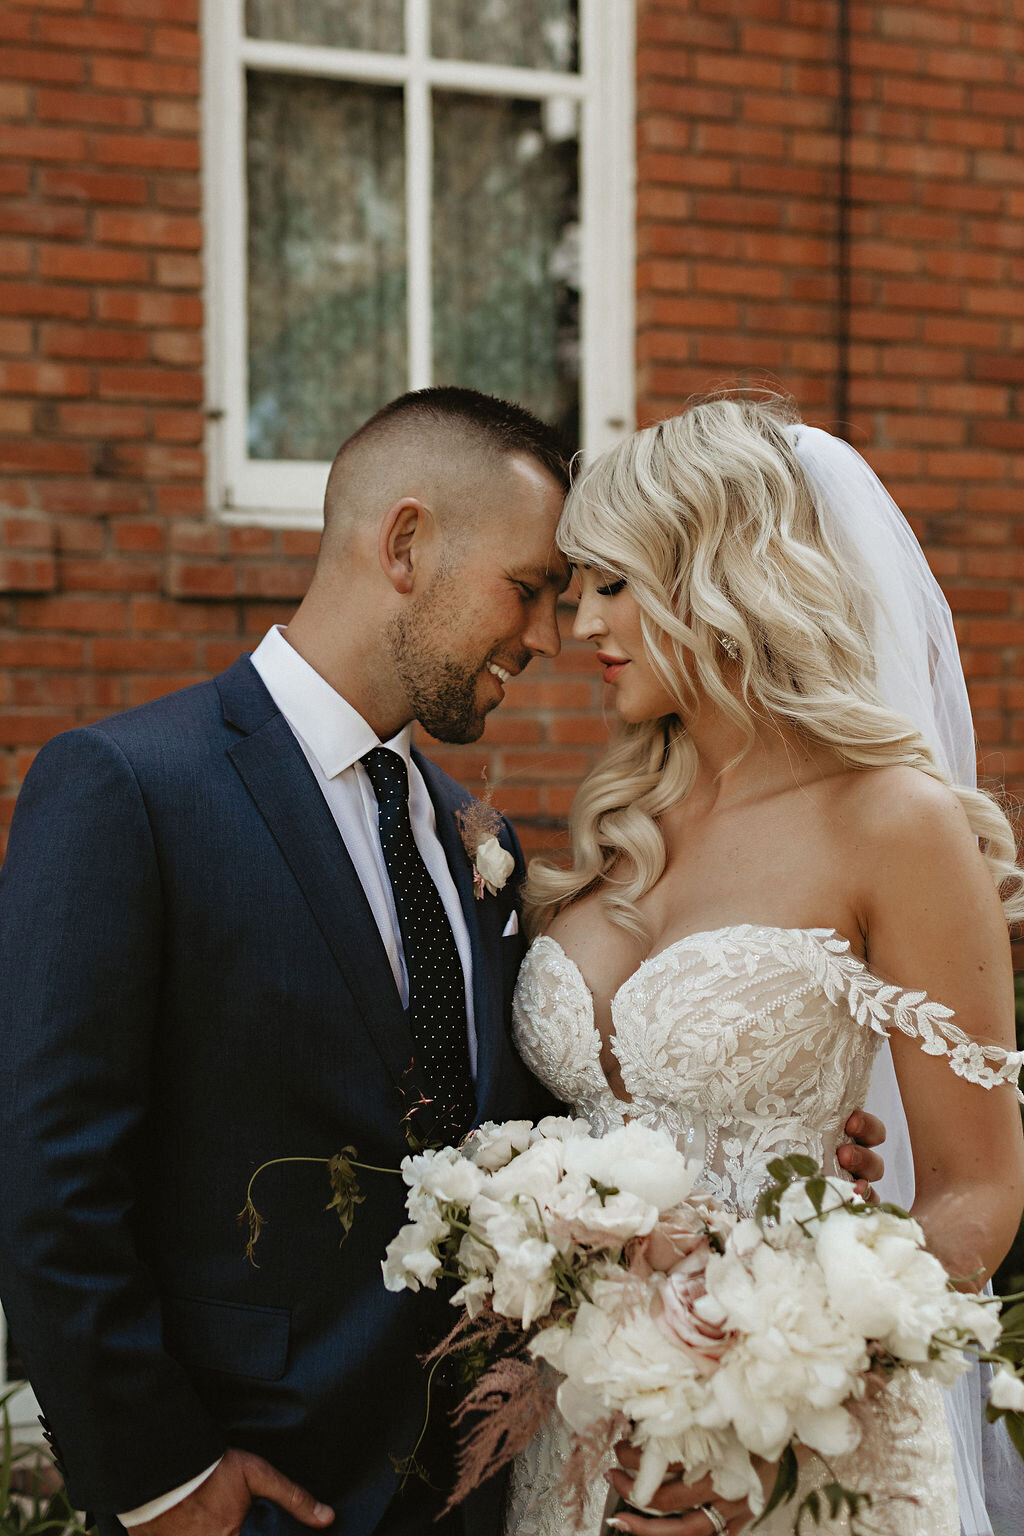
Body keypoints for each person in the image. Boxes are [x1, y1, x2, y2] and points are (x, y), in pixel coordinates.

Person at [0, 385, 885, 1536]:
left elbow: (517, 1129)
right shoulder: (127, 790)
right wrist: (164, 1479)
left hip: (492, 1478)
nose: (547, 636)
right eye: (529, 589)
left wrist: (770, 1143)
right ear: (406, 543)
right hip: (257, 1485)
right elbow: (47, 1174)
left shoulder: (479, 838)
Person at [505, 396, 1024, 1536]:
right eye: (571, 586)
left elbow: (974, 1187)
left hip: (796, 1456)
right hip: (575, 1434)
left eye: (613, 584)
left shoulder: (893, 822)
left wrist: (767, 1422)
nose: (578, 624)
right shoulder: (614, 829)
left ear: (720, 579)